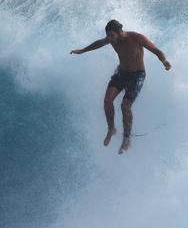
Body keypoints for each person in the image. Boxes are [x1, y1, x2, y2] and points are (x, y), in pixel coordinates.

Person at [70, 19, 172, 154]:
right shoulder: (111, 39)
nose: (109, 39)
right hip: (122, 73)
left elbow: (156, 50)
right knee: (107, 101)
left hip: (137, 75)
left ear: (120, 32)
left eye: (111, 36)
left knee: (125, 106)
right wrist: (82, 51)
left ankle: (126, 139)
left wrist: (164, 62)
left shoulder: (136, 38)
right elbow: (99, 43)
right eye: (108, 36)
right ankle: (111, 129)